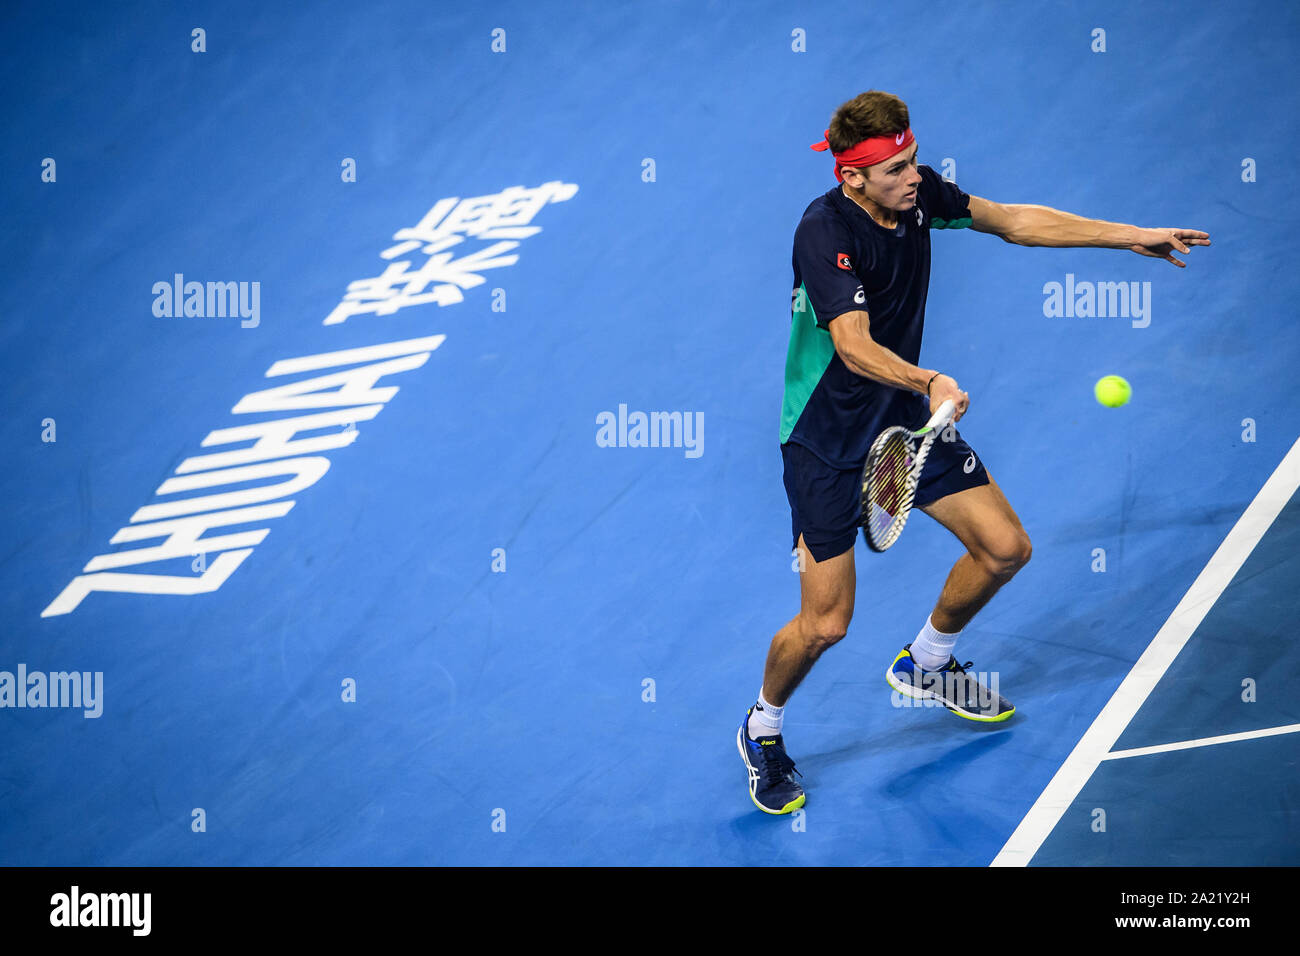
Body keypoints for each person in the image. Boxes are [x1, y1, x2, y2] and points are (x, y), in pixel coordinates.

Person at [738, 90, 1210, 815]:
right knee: (826, 625)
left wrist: (1129, 235)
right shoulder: (823, 231)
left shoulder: (919, 197)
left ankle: (925, 663)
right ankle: (763, 728)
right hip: (826, 444)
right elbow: (854, 347)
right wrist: (931, 379)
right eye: (895, 170)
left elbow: (1012, 221)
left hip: (905, 422)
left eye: (915, 161)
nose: (914, 178)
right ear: (851, 177)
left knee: (1003, 549)